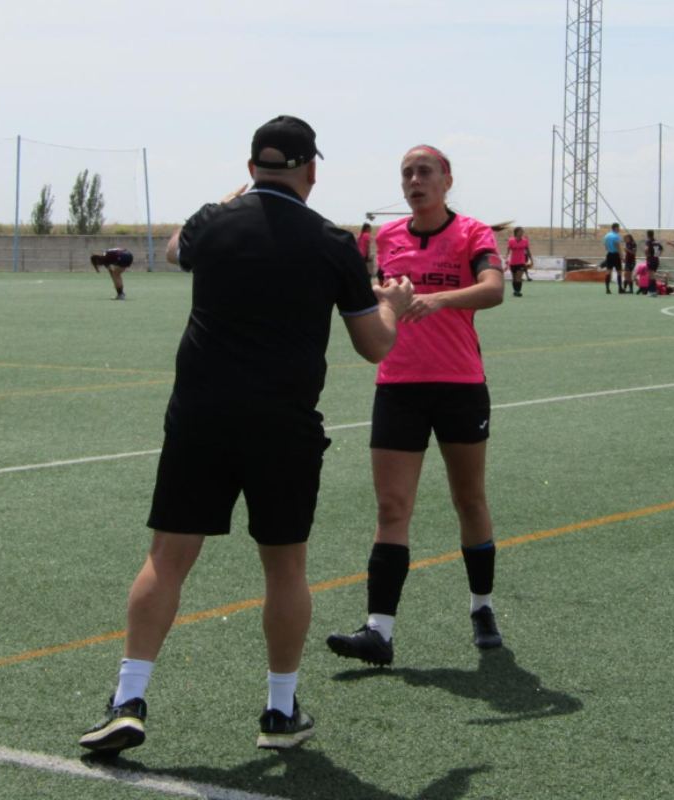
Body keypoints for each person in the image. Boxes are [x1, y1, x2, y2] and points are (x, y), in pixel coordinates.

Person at [78, 115, 414, 755]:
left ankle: (128, 697)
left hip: (200, 418)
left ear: (252, 167)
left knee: (167, 557)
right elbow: (375, 346)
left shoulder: (214, 223)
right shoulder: (331, 242)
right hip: (282, 426)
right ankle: (279, 712)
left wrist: (235, 195)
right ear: (313, 170)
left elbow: (178, 248)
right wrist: (394, 304)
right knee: (284, 568)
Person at [325, 143, 506, 668]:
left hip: (459, 384)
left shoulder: (472, 232)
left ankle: (482, 606)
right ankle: (378, 631)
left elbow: (494, 289)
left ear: (447, 179)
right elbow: (381, 297)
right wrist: (387, 297)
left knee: (468, 500)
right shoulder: (388, 237)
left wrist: (436, 300)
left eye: (425, 171)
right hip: (398, 385)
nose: (414, 180)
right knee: (391, 507)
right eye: (407, 173)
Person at [505, 226, 533, 297]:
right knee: (514, 278)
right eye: (520, 231)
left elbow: (528, 250)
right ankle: (515, 291)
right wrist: (506, 258)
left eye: (522, 232)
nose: (522, 233)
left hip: (521, 262)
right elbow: (508, 251)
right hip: (512, 262)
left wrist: (531, 259)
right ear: (516, 232)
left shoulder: (525, 241)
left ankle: (518, 291)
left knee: (519, 277)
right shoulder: (511, 241)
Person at [602, 222, 623, 294]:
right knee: (619, 272)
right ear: (615, 228)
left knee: (608, 271)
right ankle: (620, 288)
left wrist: (609, 249)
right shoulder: (616, 236)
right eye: (618, 227)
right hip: (616, 255)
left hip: (609, 254)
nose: (619, 229)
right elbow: (617, 245)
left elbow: (605, 245)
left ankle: (607, 289)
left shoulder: (606, 235)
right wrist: (621, 255)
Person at [643, 230, 663, 297]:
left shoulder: (648, 241)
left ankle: (652, 291)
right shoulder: (657, 241)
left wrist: (647, 255)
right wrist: (657, 255)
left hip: (651, 259)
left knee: (651, 275)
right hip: (656, 259)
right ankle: (652, 291)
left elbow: (646, 249)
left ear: (648, 234)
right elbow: (661, 249)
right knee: (652, 275)